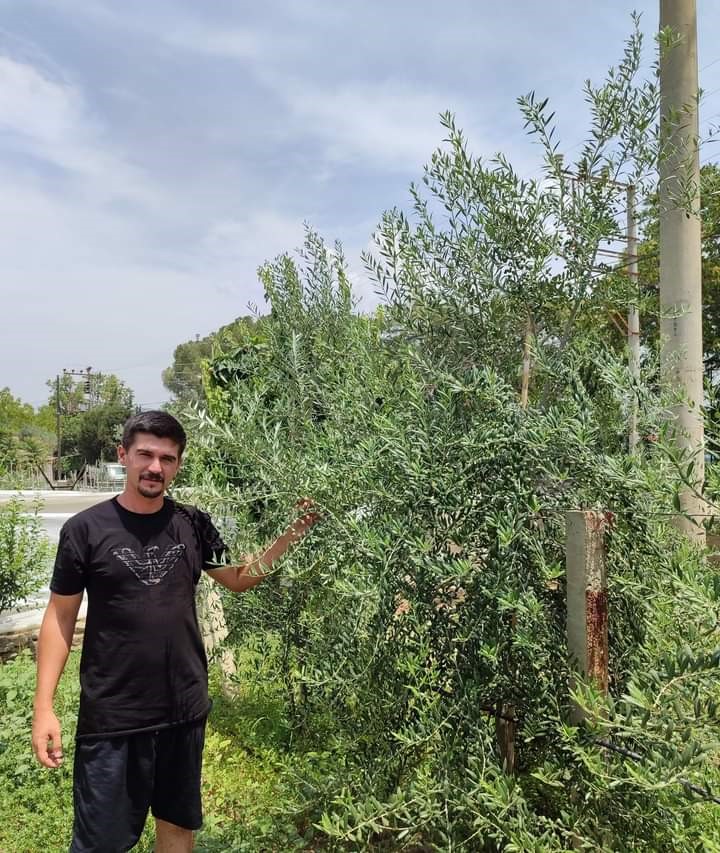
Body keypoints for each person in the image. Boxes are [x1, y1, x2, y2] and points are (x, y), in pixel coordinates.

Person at [31, 410, 320, 853]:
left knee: (177, 828)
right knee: (100, 843)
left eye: (167, 459)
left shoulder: (192, 523)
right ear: (123, 455)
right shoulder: (84, 531)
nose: (155, 467)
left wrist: (294, 534)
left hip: (183, 709)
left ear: (177, 465)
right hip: (113, 716)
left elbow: (239, 577)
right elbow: (59, 618)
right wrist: (44, 707)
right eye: (145, 454)